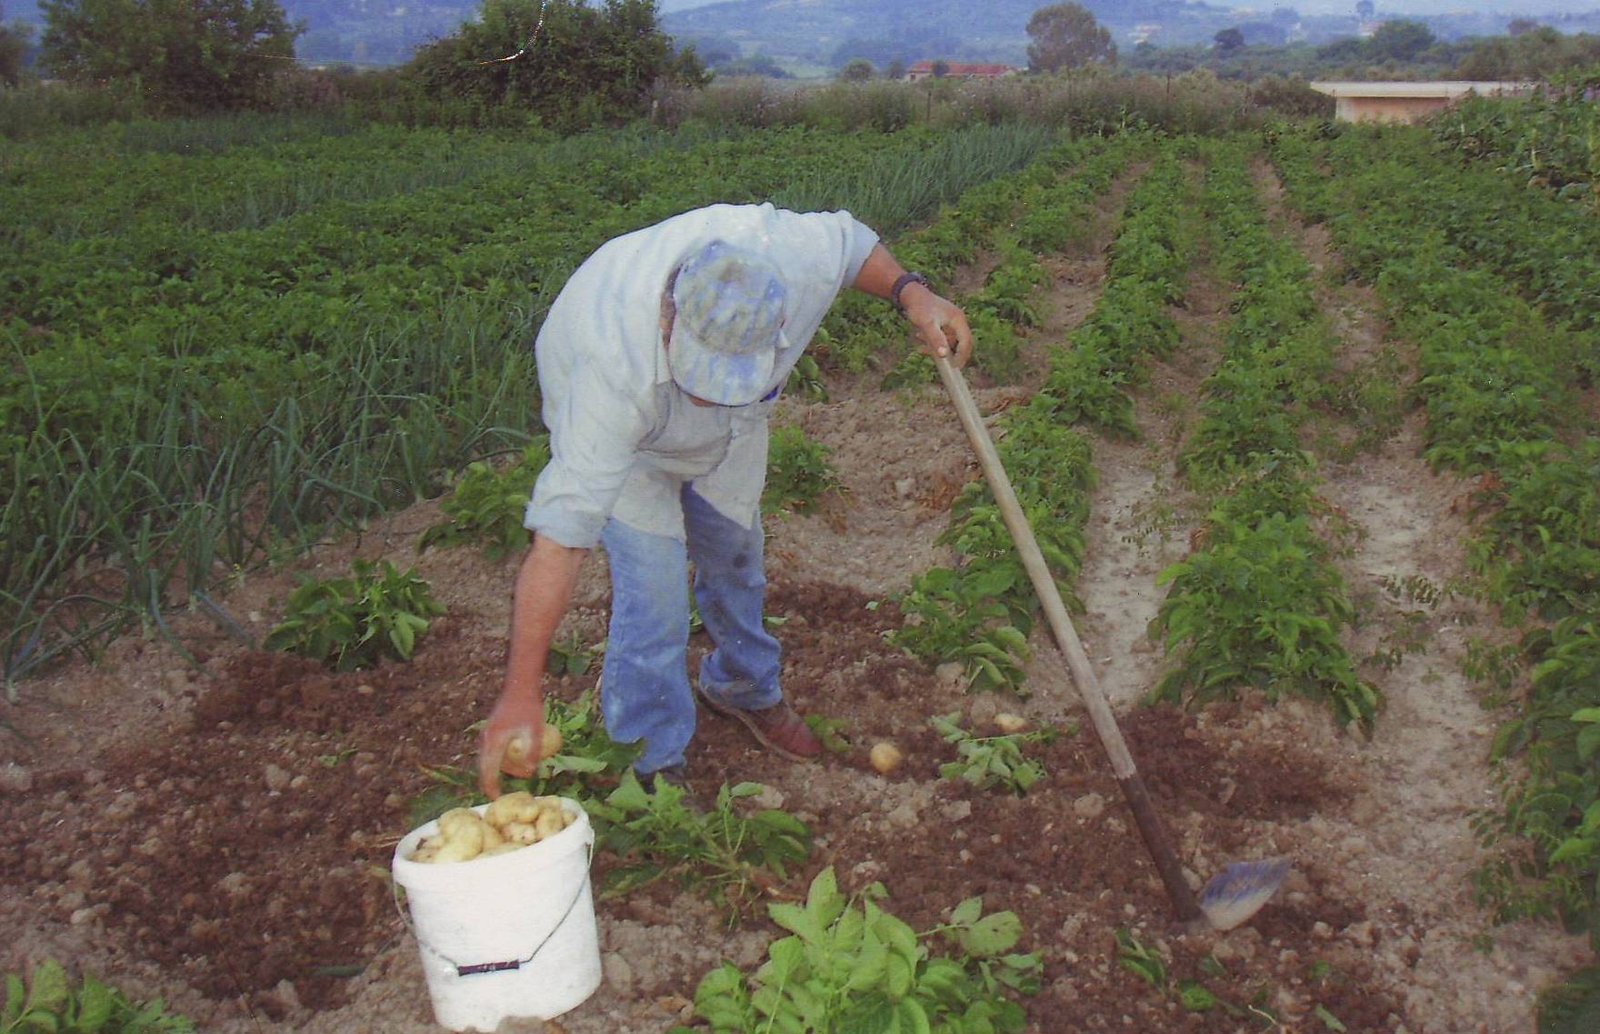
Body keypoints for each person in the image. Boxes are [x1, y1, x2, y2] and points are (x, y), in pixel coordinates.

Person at [477, 202, 973, 798]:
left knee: (736, 554)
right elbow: (559, 545)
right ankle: (650, 758)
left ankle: (742, 687)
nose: (711, 396)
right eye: (704, 377)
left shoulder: (787, 258)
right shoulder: (609, 373)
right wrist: (520, 693)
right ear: (669, 319)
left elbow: (852, 245)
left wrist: (912, 293)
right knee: (654, 601)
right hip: (635, 450)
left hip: (733, 435)